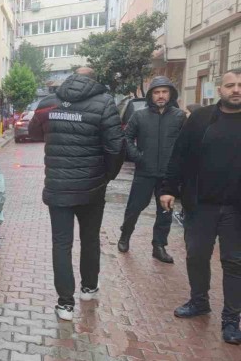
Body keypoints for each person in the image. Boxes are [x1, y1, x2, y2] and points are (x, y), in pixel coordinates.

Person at [29, 67, 125, 321]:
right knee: (90, 239)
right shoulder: (105, 103)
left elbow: (34, 132)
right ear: (94, 81)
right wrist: (106, 176)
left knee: (61, 244)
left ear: (71, 77)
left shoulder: (49, 103)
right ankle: (88, 289)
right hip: (92, 188)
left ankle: (65, 304)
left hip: (58, 186)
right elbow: (116, 148)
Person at [160, 68, 241, 345]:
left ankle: (231, 319)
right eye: (230, 85)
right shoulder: (201, 119)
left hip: (236, 210)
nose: (236, 90)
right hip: (201, 205)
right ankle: (199, 301)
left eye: (240, 85)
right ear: (220, 89)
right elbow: (179, 154)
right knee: (196, 256)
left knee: (234, 263)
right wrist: (168, 188)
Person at [117, 77, 185, 263]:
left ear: (170, 94)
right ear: (151, 95)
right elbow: (126, 139)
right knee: (134, 208)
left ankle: (159, 246)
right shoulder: (140, 116)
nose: (161, 95)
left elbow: (185, 144)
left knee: (165, 212)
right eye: (156, 92)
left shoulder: (179, 116)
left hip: (167, 175)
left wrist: (179, 167)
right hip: (144, 172)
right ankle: (125, 236)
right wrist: (138, 156)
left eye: (164, 92)